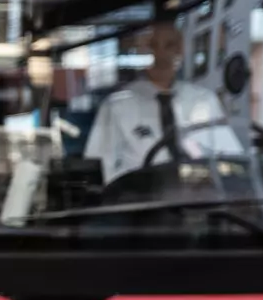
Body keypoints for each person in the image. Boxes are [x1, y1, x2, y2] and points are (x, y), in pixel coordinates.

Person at [84, 19, 242, 183]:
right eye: (154, 45)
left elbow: (230, 159)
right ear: (143, 50)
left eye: (170, 45)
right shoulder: (117, 105)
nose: (161, 54)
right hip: (141, 199)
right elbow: (100, 167)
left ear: (180, 50)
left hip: (196, 197)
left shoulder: (203, 100)